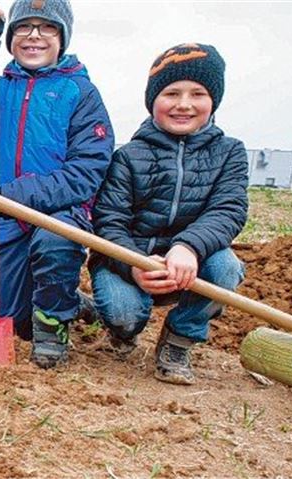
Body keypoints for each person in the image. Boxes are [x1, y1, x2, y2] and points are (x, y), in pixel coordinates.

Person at [0, 0, 114, 368]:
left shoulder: (81, 93)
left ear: (62, 37)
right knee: (16, 320)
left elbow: (86, 172)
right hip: (6, 220)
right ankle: (72, 303)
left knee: (54, 246)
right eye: (24, 27)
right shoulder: (0, 89)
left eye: (47, 27)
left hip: (59, 215)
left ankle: (54, 324)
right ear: (9, 38)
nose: (34, 35)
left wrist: (13, 196)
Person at [89, 43, 247, 385]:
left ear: (213, 100)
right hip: (130, 260)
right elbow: (108, 220)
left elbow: (228, 209)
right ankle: (123, 331)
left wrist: (188, 246)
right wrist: (134, 265)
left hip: (194, 263)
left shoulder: (230, 153)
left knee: (226, 267)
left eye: (198, 93)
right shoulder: (129, 156)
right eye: (171, 92)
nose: (184, 104)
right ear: (153, 100)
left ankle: (179, 338)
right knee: (123, 313)